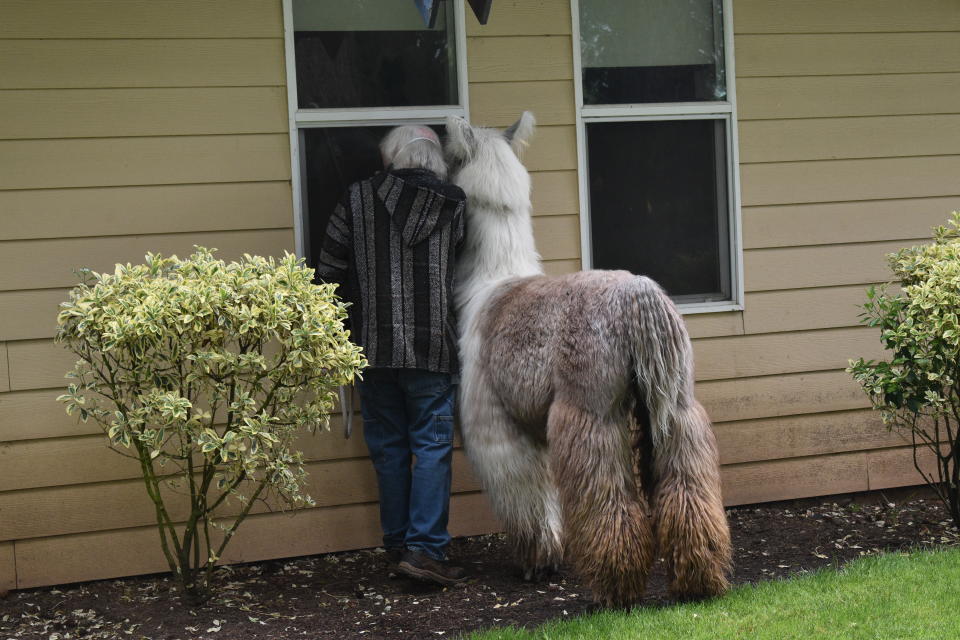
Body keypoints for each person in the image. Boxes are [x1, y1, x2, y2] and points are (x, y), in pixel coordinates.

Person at [315, 125, 468, 585]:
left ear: (392, 157)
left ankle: (400, 546)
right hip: (433, 348)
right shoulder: (455, 204)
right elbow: (464, 269)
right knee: (432, 449)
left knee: (389, 452)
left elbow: (328, 272)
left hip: (373, 348)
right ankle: (425, 552)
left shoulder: (356, 199)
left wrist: (340, 332)